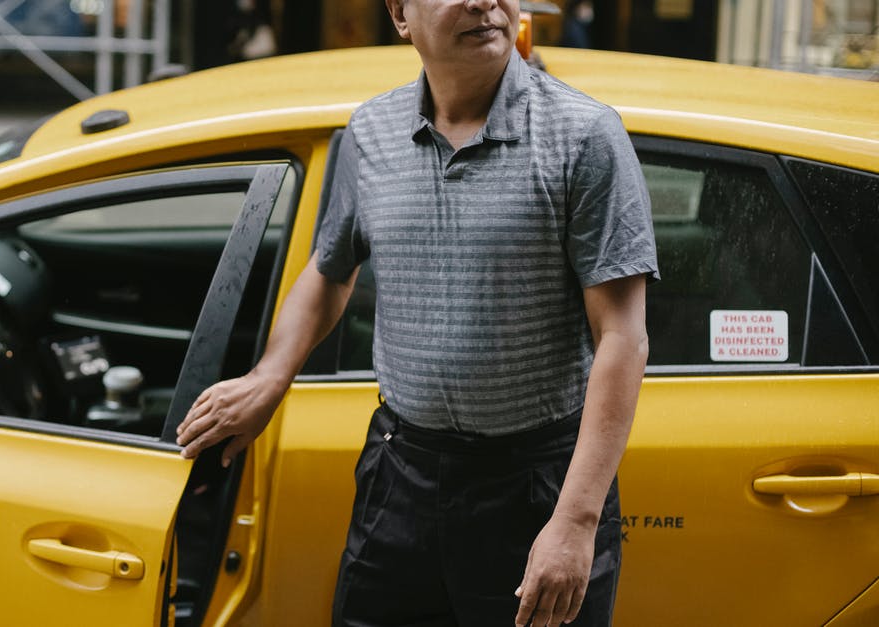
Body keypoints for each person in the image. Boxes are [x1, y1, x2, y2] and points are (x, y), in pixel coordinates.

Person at [176, 1, 658, 625]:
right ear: (401, 14)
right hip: (401, 472)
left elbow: (623, 337)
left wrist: (574, 520)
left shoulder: (584, 134)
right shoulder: (370, 132)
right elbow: (328, 271)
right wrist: (271, 377)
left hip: (537, 482)